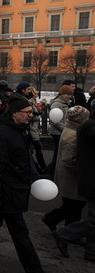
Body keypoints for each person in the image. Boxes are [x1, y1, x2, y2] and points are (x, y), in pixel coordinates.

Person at [0, 95, 63, 273]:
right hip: (7, 192)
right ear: (14, 113)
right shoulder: (3, 133)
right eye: (27, 112)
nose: (31, 115)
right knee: (21, 234)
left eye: (31, 112)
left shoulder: (17, 130)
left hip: (13, 189)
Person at [53, 106, 95, 262]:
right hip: (86, 178)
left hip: (85, 177)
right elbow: (70, 159)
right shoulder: (87, 128)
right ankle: (65, 233)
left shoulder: (81, 127)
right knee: (83, 213)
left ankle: (91, 250)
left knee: (83, 212)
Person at [42, 106, 90, 232]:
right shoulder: (73, 135)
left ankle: (58, 223)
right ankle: (59, 225)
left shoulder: (70, 129)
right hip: (70, 177)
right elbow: (69, 159)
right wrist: (81, 171)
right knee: (75, 205)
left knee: (72, 205)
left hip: (67, 175)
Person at [46, 84, 74, 175]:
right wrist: (65, 128)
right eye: (68, 94)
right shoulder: (57, 104)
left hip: (61, 130)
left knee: (59, 152)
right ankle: (51, 171)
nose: (69, 96)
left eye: (70, 95)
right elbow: (55, 120)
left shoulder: (66, 103)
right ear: (62, 94)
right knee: (58, 152)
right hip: (57, 132)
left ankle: (52, 170)